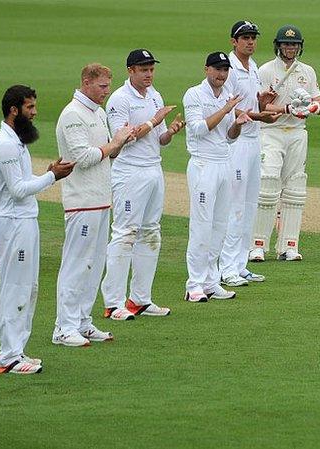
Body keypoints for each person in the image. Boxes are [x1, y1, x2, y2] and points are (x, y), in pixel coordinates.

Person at [0, 85, 75, 374]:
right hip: (13, 223)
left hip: (24, 221)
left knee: (29, 287)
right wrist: (52, 175)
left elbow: (23, 182)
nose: (35, 113)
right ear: (14, 110)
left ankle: (17, 350)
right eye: (30, 108)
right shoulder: (4, 144)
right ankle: (8, 356)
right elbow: (17, 190)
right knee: (15, 286)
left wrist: (47, 172)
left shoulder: (16, 142)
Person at [52, 64, 135, 346]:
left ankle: (83, 322)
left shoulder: (97, 113)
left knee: (94, 264)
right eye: (101, 87)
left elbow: (107, 156)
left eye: (108, 87)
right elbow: (82, 158)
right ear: (86, 82)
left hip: (101, 200)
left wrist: (121, 143)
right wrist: (115, 143)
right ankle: (64, 327)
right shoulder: (72, 114)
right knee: (76, 265)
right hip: (81, 202)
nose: (106, 93)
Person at [102, 49, 184, 320]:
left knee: (151, 232)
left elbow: (159, 139)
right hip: (129, 173)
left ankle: (140, 299)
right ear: (131, 71)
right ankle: (113, 303)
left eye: (151, 69)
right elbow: (123, 137)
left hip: (153, 169)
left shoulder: (155, 95)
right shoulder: (119, 99)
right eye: (143, 69)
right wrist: (154, 120)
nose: (149, 74)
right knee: (125, 233)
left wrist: (170, 131)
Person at [251, 24, 320, 261]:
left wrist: (310, 107)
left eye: (294, 44)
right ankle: (257, 244)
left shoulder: (307, 71)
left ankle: (288, 246)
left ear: (299, 47)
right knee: (268, 184)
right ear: (278, 45)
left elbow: (319, 103)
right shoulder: (265, 70)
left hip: (297, 133)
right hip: (271, 132)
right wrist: (287, 108)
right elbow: (260, 107)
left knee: (294, 188)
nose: (290, 48)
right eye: (286, 44)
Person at [183, 52, 251, 302]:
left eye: (225, 70)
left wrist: (239, 123)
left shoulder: (226, 97)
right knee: (201, 226)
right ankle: (194, 285)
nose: (222, 75)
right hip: (203, 165)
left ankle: (211, 281)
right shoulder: (194, 94)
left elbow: (230, 137)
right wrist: (226, 110)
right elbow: (199, 129)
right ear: (206, 70)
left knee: (219, 225)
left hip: (224, 163)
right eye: (217, 69)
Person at [219, 20, 277, 287]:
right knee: (235, 206)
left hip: (254, 141)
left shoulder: (252, 66)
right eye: (245, 38)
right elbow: (229, 110)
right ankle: (226, 268)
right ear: (234, 41)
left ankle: (240, 264)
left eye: (253, 37)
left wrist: (263, 102)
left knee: (250, 203)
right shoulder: (227, 70)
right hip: (236, 143)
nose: (250, 42)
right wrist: (260, 115)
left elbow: (251, 104)